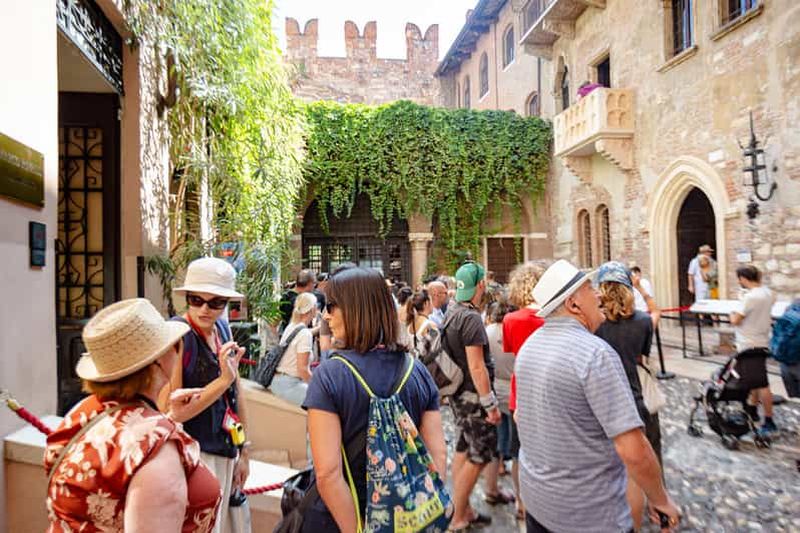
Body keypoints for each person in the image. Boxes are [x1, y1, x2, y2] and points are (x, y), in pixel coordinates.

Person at [516, 260, 680, 532]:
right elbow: (632, 448)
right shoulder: (595, 353)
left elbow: (522, 417)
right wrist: (661, 500)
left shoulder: (529, 346)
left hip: (539, 502)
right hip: (589, 513)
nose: (598, 295)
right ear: (573, 304)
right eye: (589, 288)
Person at [45, 298, 221, 532]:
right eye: (175, 346)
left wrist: (169, 418)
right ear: (158, 361)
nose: (178, 351)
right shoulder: (158, 450)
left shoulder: (84, 411)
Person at [302, 266, 447, 532]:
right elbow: (437, 453)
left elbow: (328, 475)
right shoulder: (417, 371)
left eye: (331, 306)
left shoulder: (329, 376)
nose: (325, 315)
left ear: (356, 309)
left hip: (338, 519)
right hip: (407, 520)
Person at [170, 257, 250, 533]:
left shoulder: (222, 330)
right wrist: (223, 379)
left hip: (225, 447)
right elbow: (174, 411)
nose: (204, 309)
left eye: (215, 302)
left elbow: (236, 392)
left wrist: (244, 450)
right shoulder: (178, 335)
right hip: (194, 453)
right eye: (196, 300)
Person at [594, 262, 662, 531]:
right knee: (646, 455)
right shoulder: (643, 322)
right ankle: (651, 509)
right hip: (634, 395)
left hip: (602, 398)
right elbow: (642, 354)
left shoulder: (595, 324)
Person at [444, 261, 501, 531]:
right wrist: (490, 404)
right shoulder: (471, 318)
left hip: (458, 395)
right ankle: (457, 517)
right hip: (473, 398)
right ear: (481, 284)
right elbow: (477, 367)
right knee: (480, 455)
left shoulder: (452, 311)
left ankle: (462, 509)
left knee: (463, 448)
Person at [501, 261, 546, 520]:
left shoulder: (510, 320)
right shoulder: (550, 317)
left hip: (520, 391)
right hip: (548, 388)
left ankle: (521, 501)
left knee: (520, 451)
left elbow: (510, 352)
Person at [729, 265, 778, 436]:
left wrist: (732, 311)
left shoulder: (750, 297)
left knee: (762, 383)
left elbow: (735, 320)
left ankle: (769, 421)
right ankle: (751, 411)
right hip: (762, 340)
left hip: (748, 344)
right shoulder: (769, 293)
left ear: (743, 278)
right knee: (754, 381)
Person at [482, 300, 517, 506]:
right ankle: (520, 501)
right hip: (513, 389)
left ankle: (493, 483)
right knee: (516, 444)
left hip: (495, 386)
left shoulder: (487, 332)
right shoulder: (514, 331)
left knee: (496, 438)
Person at [270, 292, 317, 406]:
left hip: (277, 381)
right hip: (290, 385)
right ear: (312, 309)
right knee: (325, 401)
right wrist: (319, 387)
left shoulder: (291, 327)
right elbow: (303, 370)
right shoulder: (305, 334)